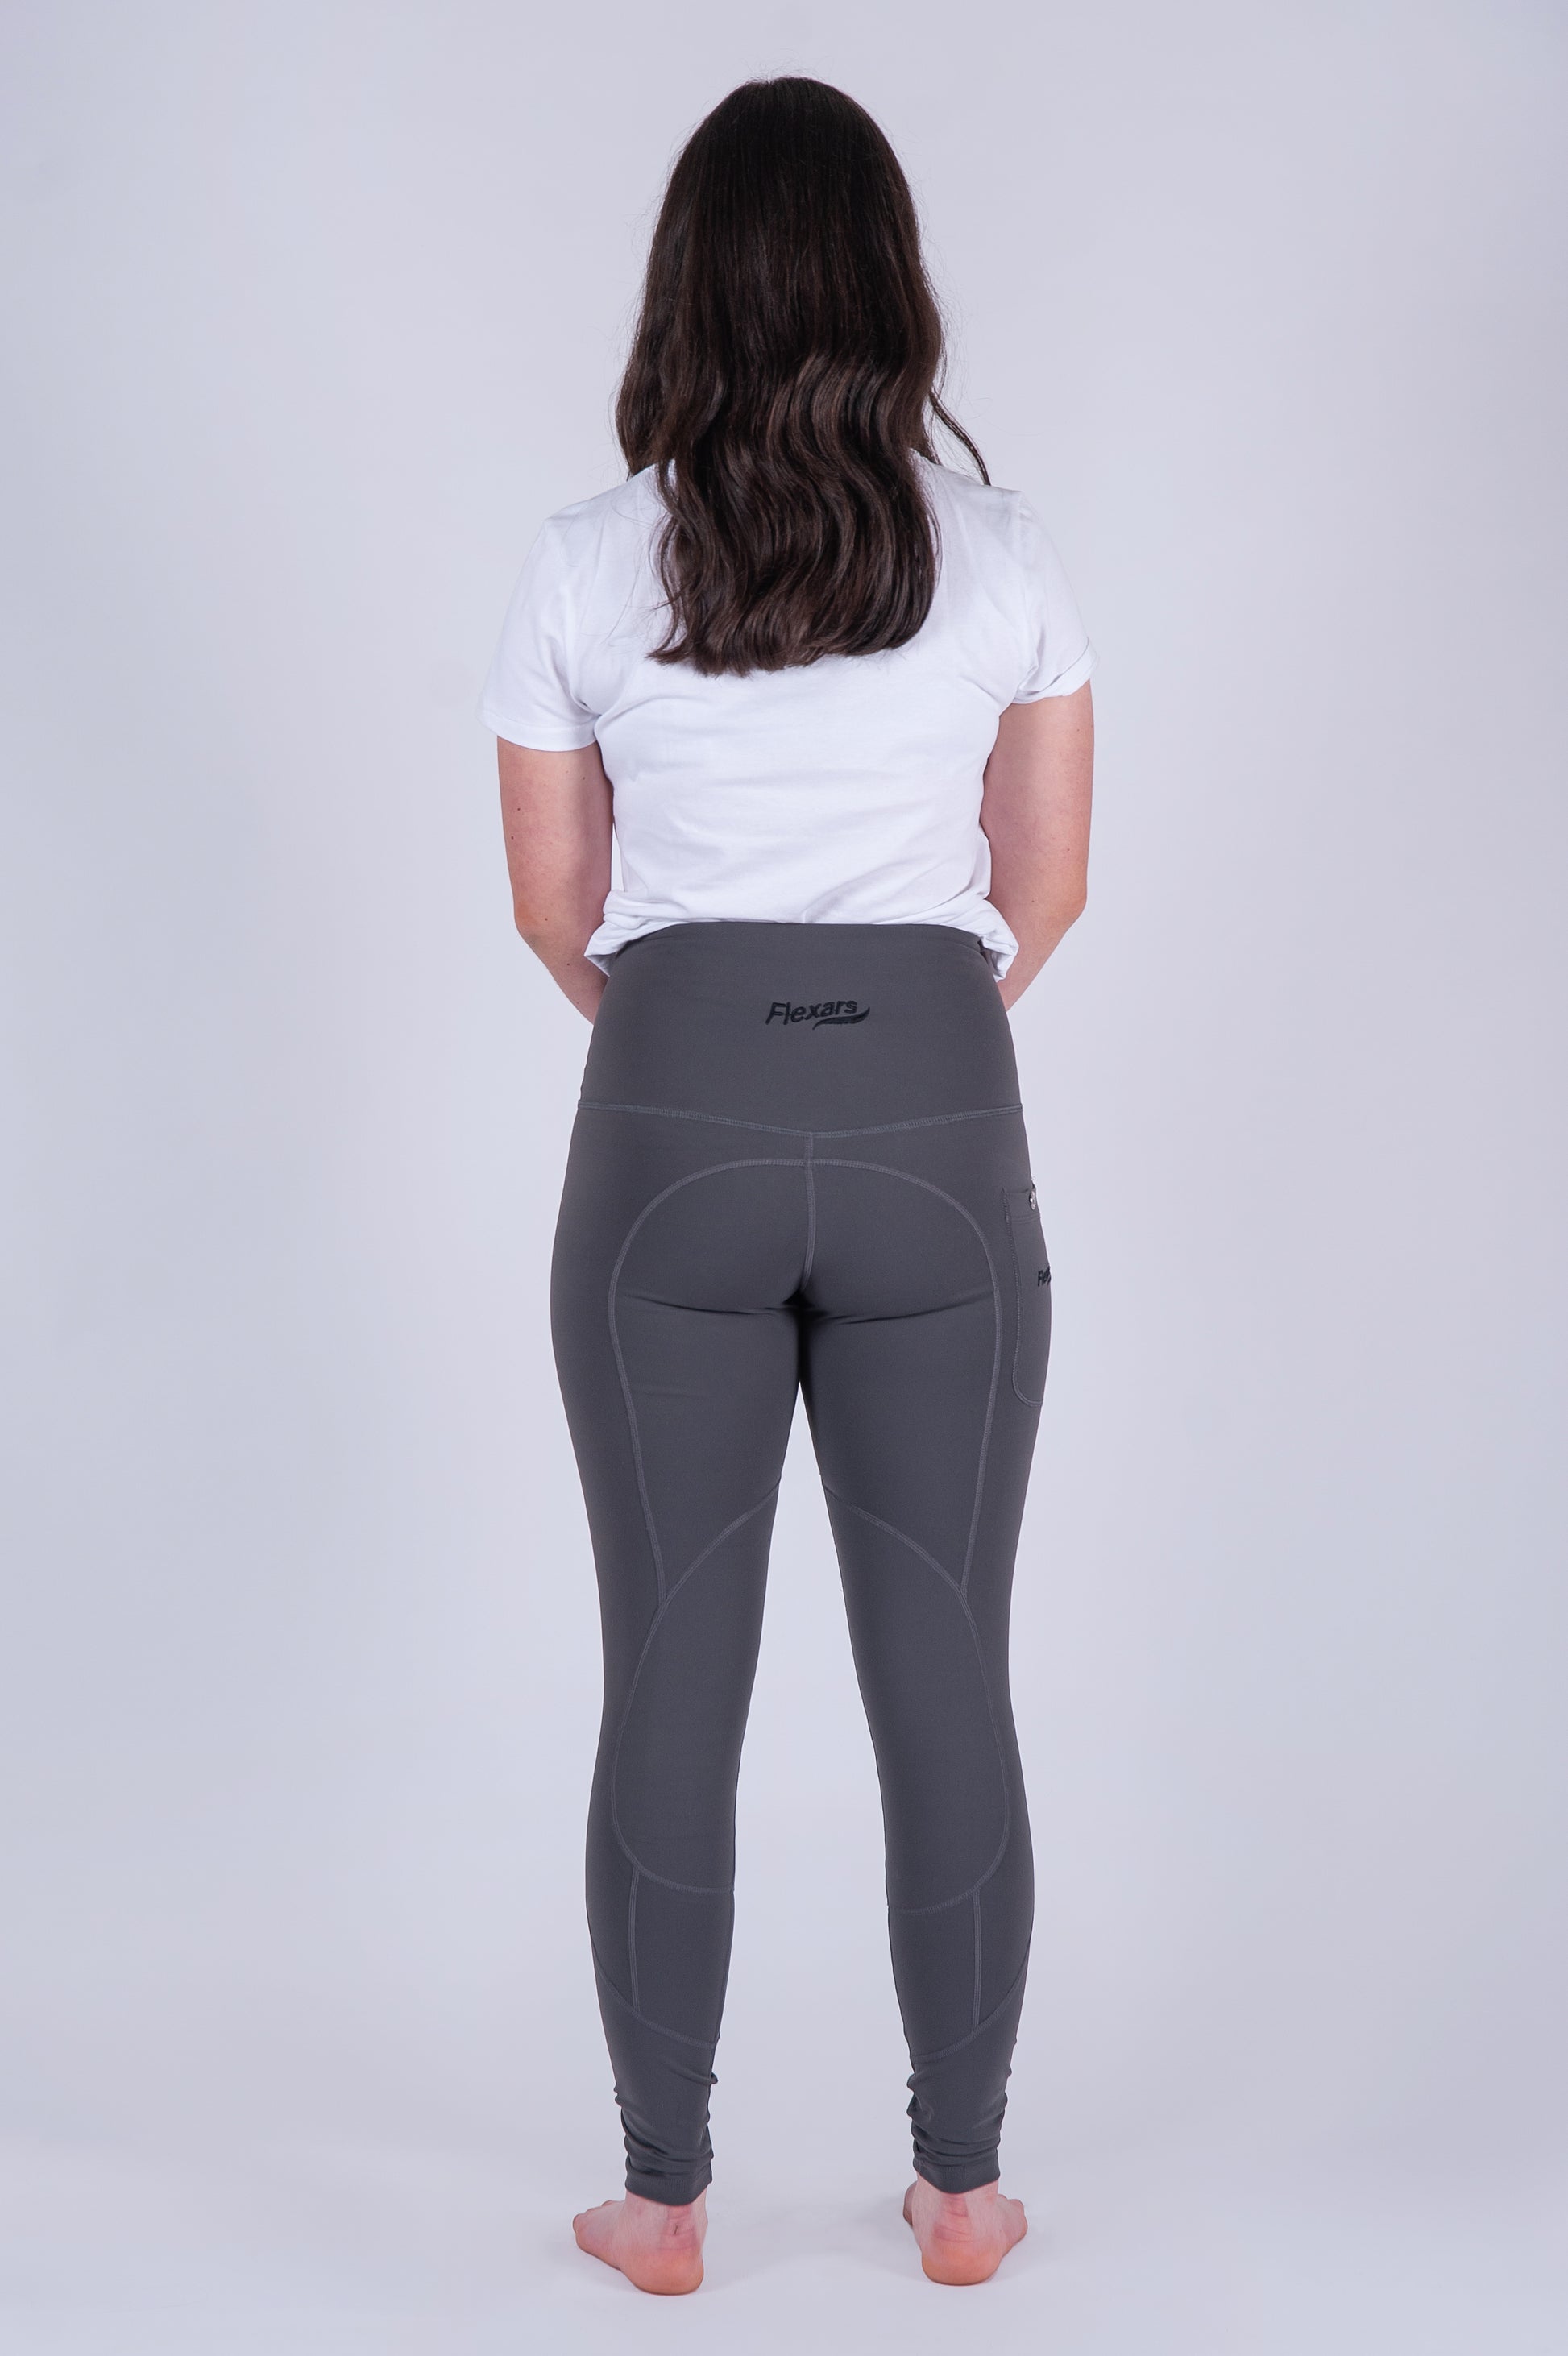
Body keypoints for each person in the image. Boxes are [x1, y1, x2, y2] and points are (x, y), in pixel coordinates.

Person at [481, 74, 1094, 2295]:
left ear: (685, 291)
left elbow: (556, 909)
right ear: (886, 287)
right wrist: (884, 1058)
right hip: (939, 1126)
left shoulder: (584, 558)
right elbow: (1048, 887)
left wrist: (715, 1058)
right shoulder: (1004, 557)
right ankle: (963, 2188)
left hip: (670, 1138)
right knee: (947, 1659)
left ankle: (661, 2199)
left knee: (669, 1661)